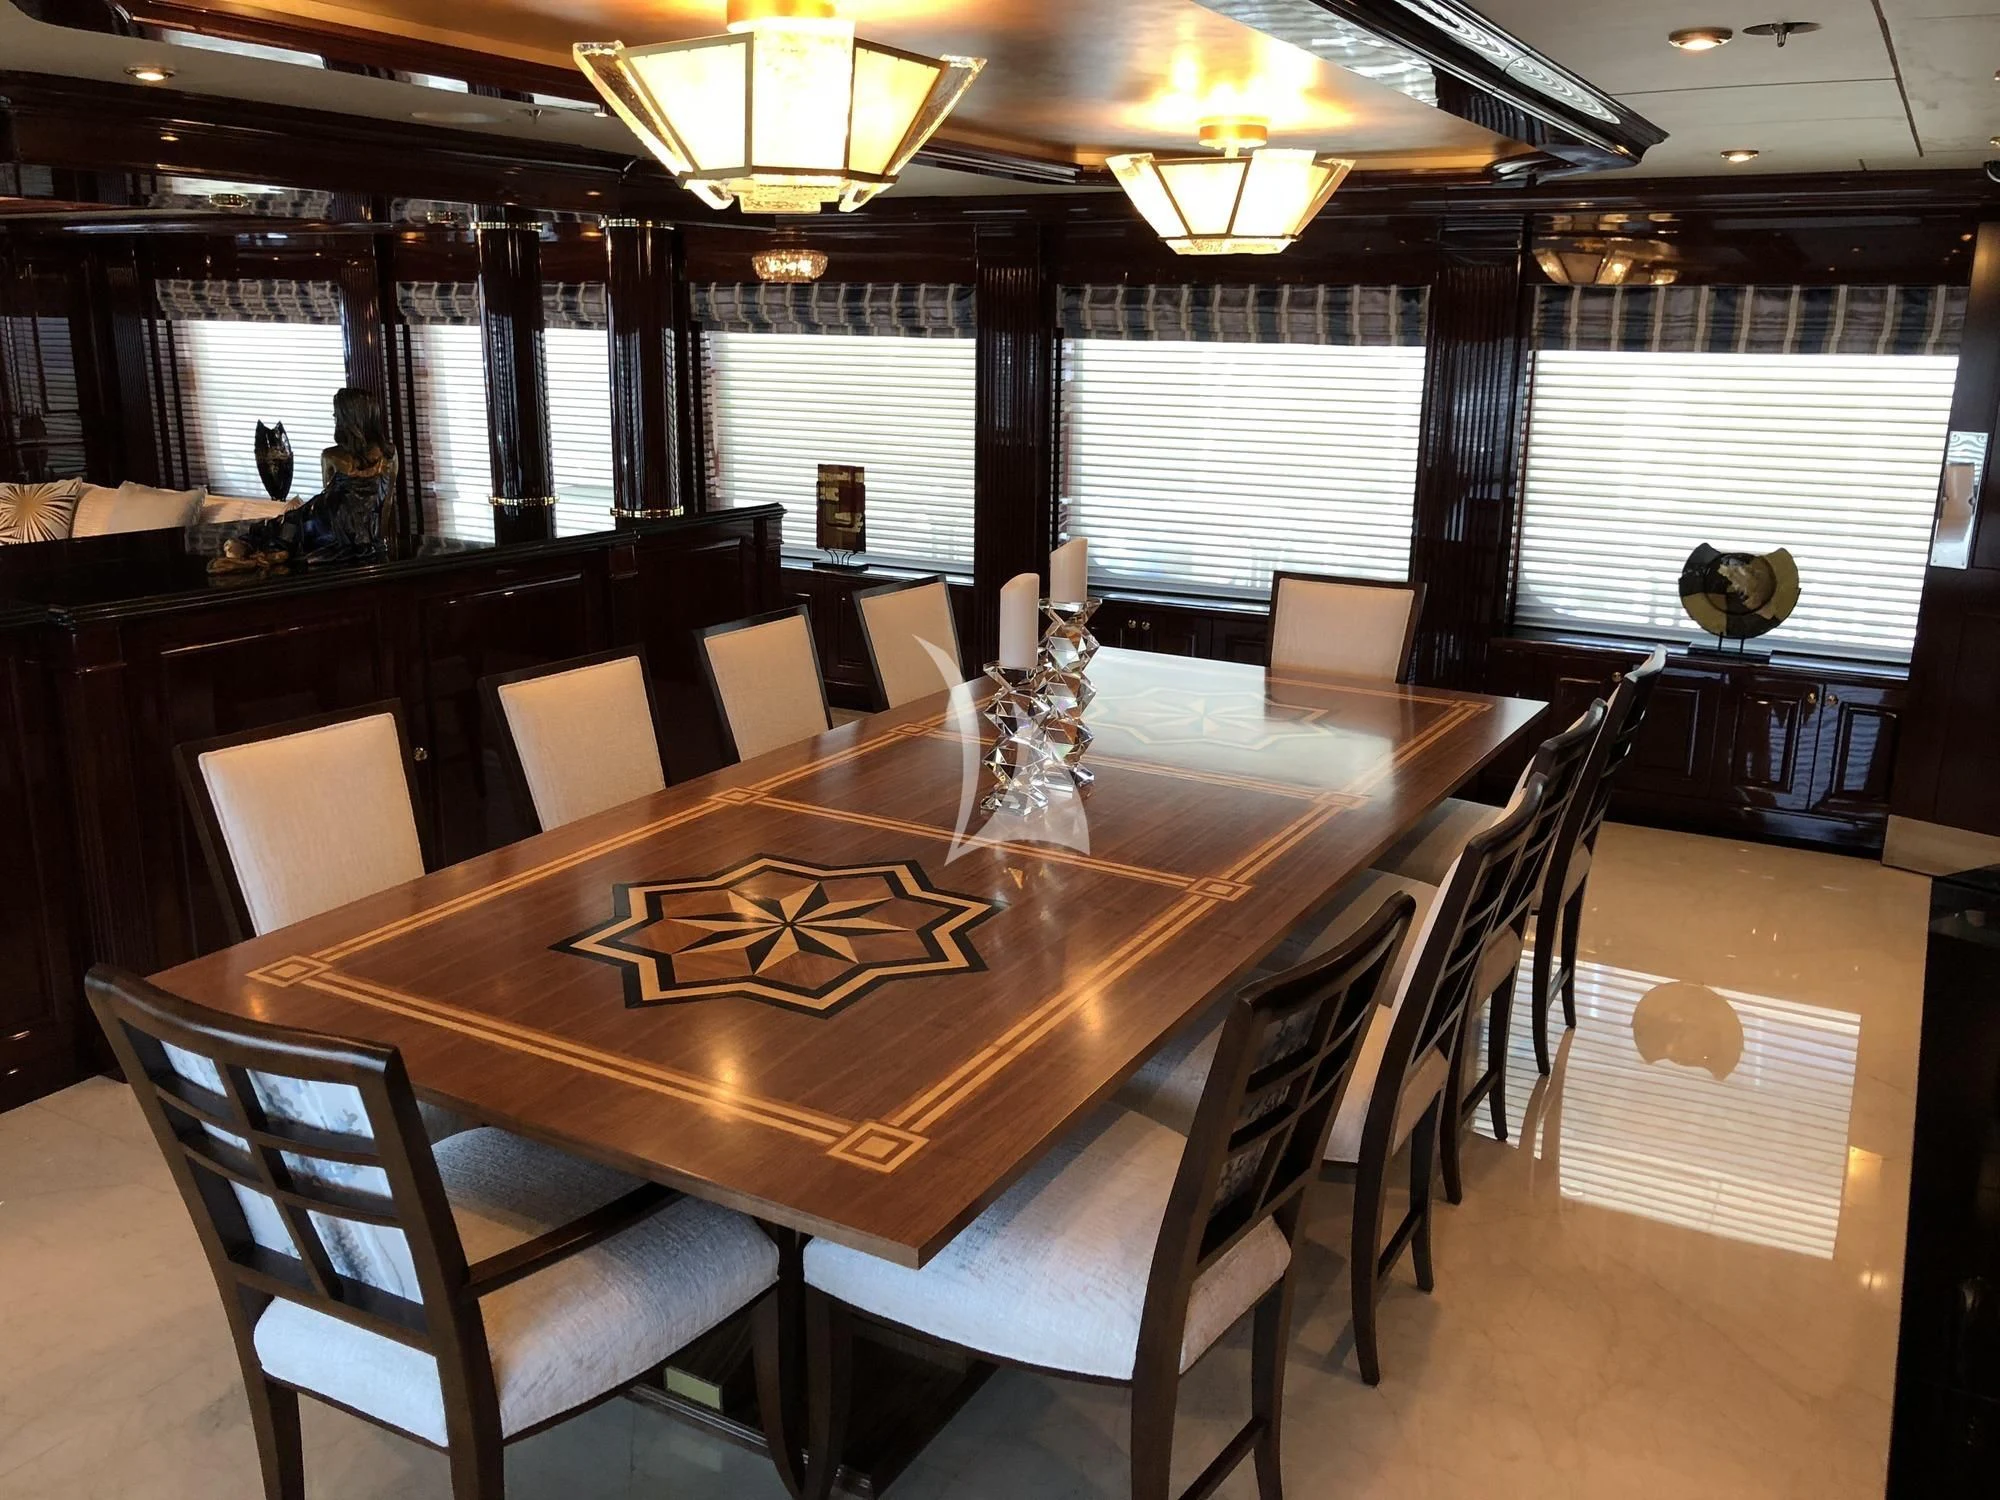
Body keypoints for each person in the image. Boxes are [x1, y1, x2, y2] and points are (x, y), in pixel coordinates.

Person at [218, 387, 398, 571]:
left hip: (329, 527)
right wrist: (378, 543)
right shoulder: (390, 455)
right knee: (295, 523)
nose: (334, 418)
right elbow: (387, 503)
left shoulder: (331, 456)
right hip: (362, 537)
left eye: (336, 415)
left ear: (348, 419)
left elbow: (327, 502)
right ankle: (278, 548)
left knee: (289, 523)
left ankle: (261, 546)